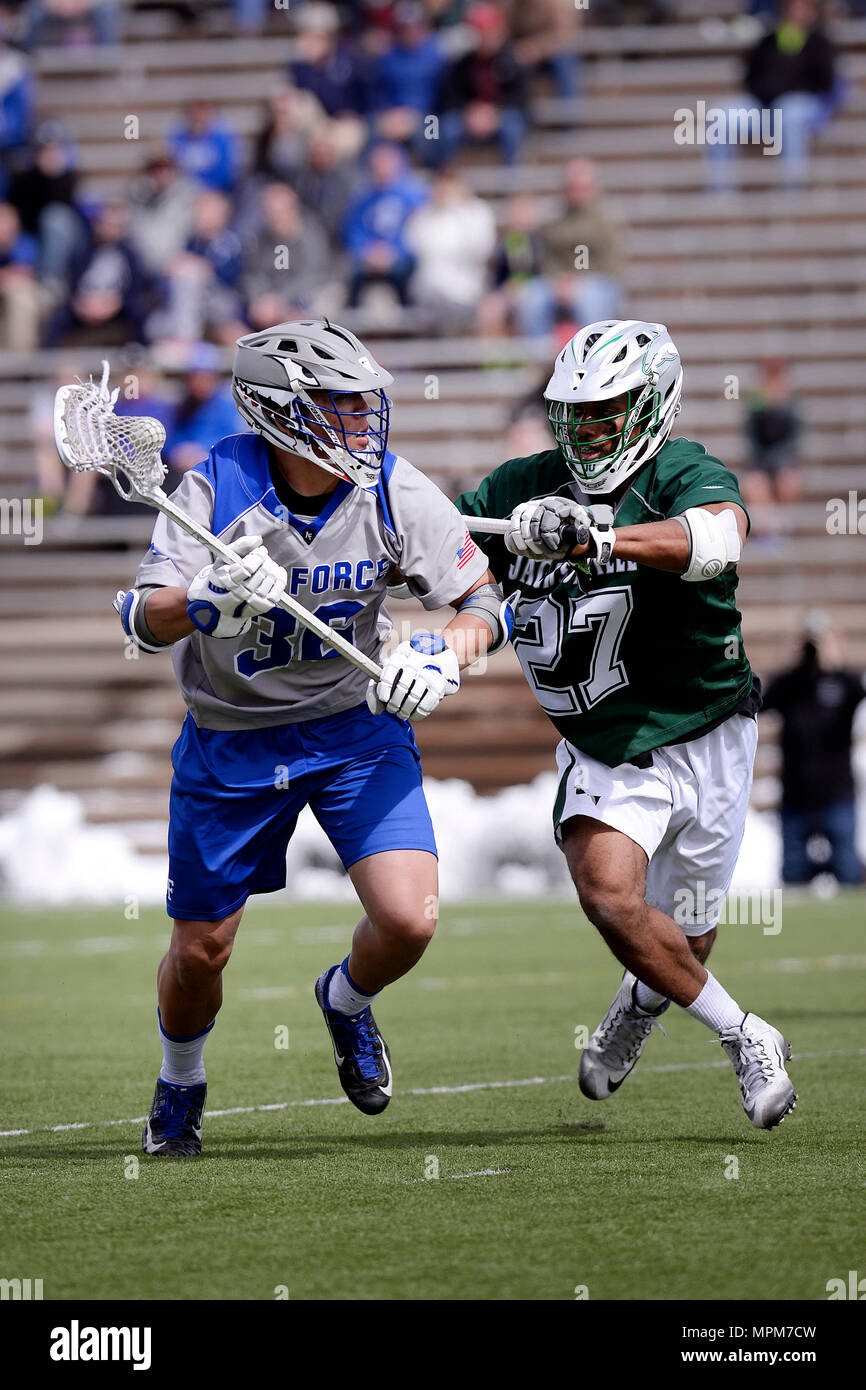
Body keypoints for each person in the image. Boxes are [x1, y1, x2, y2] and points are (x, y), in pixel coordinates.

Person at [117, 318, 509, 1157]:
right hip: (233, 738)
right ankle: (181, 1077)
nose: (365, 421)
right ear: (281, 411)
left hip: (353, 729)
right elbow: (139, 618)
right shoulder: (213, 486)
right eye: (341, 404)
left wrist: (446, 654)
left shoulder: (392, 489)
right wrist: (205, 601)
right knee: (201, 954)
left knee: (409, 920)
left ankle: (345, 1001)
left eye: (366, 404)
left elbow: (485, 602)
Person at [455, 317, 798, 1131]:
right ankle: (747, 1035)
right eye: (573, 416)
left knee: (685, 944)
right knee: (611, 896)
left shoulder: (682, 470)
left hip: (709, 726)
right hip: (608, 742)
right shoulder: (522, 487)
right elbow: (436, 544)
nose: (585, 433)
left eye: (604, 414)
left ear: (652, 406)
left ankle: (641, 1007)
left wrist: (599, 536)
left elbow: (716, 539)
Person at [762, 616, 864, 885]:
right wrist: (790, 663)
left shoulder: (845, 684)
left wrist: (833, 661)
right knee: (793, 874)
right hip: (796, 795)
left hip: (837, 794)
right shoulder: (789, 684)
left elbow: (857, 692)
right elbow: (760, 703)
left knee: (847, 872)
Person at [706, 0, 839, 192]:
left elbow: (824, 82)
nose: (797, 13)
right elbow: (750, 76)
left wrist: (789, 88)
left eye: (802, 8)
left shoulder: (820, 43)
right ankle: (719, 191)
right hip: (763, 106)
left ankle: (793, 187)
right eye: (792, 8)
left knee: (789, 113)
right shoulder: (768, 41)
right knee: (720, 115)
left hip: (801, 106)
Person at [516, 159, 623, 341]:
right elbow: (547, 258)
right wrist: (558, 280)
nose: (577, 192)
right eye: (572, 186)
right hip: (557, 281)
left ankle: (595, 357)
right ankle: (540, 360)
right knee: (531, 297)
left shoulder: (607, 219)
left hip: (598, 281)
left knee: (589, 299)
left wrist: (577, 281)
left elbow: (610, 263)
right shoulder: (554, 217)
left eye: (582, 187)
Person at [404, 164, 495, 331]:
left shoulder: (477, 212)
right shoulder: (424, 215)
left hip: (467, 289)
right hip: (429, 291)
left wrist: (459, 211)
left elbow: (481, 249)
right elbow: (414, 247)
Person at [436, 2, 528, 167]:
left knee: (513, 127)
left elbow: (520, 100)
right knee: (448, 127)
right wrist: (470, 112)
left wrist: (494, 114)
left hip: (501, 116)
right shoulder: (462, 64)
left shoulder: (512, 60)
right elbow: (451, 98)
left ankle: (510, 181)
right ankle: (445, 176)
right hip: (469, 118)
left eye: (487, 32)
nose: (484, 38)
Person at [341, 140, 428, 309]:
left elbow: (420, 231)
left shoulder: (414, 196)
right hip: (369, 258)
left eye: (386, 163)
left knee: (407, 275)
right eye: (377, 164)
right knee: (353, 276)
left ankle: (410, 321)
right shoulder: (363, 198)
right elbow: (353, 231)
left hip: (403, 258)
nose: (381, 168)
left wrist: (395, 252)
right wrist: (367, 251)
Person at [742, 355, 801, 511]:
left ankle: (784, 525)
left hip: (784, 461)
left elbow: (792, 441)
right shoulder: (756, 403)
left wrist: (782, 464)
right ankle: (768, 532)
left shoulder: (790, 405)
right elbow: (753, 440)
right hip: (761, 462)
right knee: (756, 485)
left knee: (788, 481)